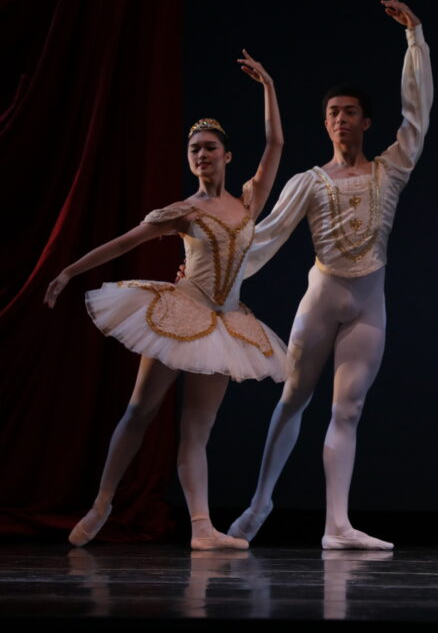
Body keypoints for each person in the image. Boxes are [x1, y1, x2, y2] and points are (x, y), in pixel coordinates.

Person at [44, 50, 286, 550]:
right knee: (140, 410)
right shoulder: (183, 210)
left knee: (198, 428)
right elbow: (125, 242)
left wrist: (267, 86)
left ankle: (201, 528)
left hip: (226, 325)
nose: (201, 155)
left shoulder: (248, 201)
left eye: (210, 148)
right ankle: (102, 502)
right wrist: (69, 269)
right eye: (194, 149)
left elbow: (276, 142)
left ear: (227, 155)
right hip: (181, 313)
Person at [225, 0, 432, 550]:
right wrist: (217, 277)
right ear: (325, 124)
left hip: (369, 305)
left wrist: (414, 38)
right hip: (321, 300)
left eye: (349, 113)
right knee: (294, 397)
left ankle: (336, 525)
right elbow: (263, 236)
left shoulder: (389, 170)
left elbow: (418, 114)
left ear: (366, 121)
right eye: (332, 114)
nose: (340, 120)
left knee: (349, 408)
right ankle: (261, 501)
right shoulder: (309, 182)